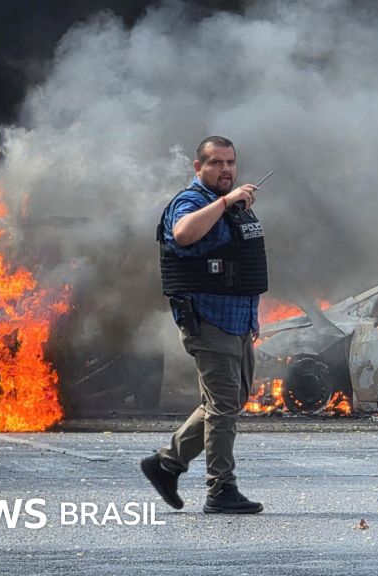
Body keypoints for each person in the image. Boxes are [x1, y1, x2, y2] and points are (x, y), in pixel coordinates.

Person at [142, 135, 267, 514]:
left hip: (236, 321)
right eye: (215, 163)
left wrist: (252, 317)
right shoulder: (192, 201)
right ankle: (220, 488)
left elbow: (241, 264)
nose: (225, 169)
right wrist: (226, 201)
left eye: (230, 163)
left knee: (227, 402)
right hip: (208, 320)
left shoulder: (233, 207)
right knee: (223, 405)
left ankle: (167, 464)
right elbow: (183, 234)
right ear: (198, 167)